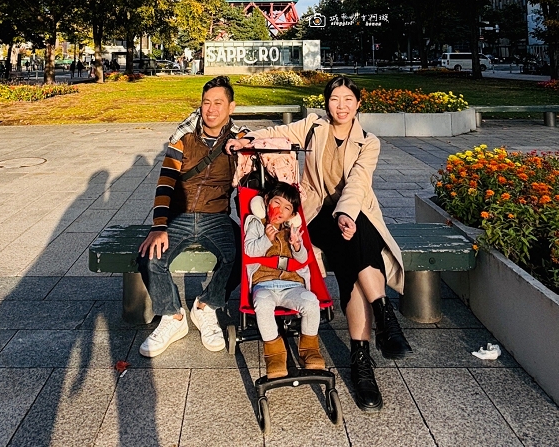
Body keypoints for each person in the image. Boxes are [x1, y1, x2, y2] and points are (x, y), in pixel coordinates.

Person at [228, 75, 412, 413]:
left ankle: (363, 360)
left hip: (354, 210)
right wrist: (247, 139)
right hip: (316, 214)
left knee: (355, 250)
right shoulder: (313, 127)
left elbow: (357, 183)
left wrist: (346, 215)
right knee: (356, 249)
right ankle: (384, 319)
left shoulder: (369, 142)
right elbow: (275, 134)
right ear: (326, 103)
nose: (340, 106)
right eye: (334, 100)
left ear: (358, 103)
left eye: (347, 100)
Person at [137, 76, 249, 358]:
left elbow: (252, 182)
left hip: (216, 216)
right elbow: (165, 182)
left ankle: (206, 306)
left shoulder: (239, 142)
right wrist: (159, 226)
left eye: (218, 103)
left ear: (231, 107)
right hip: (180, 214)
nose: (211, 109)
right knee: (149, 255)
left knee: (240, 253)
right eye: (206, 102)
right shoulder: (183, 139)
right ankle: (172, 316)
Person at [244, 181, 325, 378]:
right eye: (276, 202)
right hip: (264, 283)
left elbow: (304, 259)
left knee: (311, 302)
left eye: (287, 208)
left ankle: (309, 348)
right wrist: (266, 239)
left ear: (292, 214)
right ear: (266, 201)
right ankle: (274, 353)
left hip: (292, 284)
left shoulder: (292, 230)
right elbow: (249, 250)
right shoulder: (256, 224)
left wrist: (297, 246)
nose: (280, 210)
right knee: (262, 305)